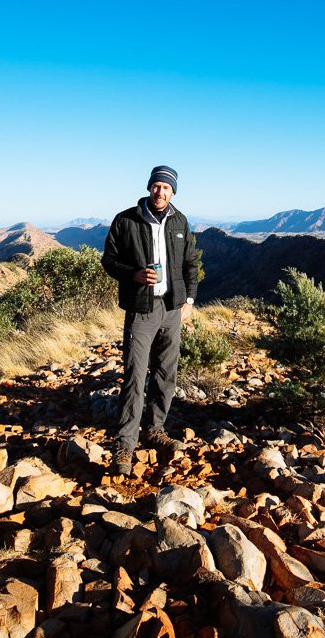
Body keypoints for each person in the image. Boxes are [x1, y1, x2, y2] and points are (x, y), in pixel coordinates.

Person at [101, 165, 201, 477]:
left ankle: (155, 430)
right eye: (157, 186)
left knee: (165, 373)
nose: (160, 192)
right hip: (141, 308)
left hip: (172, 309)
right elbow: (109, 260)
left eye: (166, 188)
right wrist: (133, 274)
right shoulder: (126, 220)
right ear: (149, 187)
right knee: (134, 375)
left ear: (173, 192)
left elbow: (191, 262)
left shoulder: (179, 221)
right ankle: (125, 443)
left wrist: (189, 300)